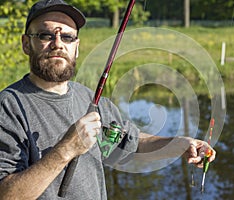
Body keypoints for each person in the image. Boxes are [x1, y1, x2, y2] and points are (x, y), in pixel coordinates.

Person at [0, 0, 216, 199]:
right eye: (46, 35)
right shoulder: (8, 107)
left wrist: (180, 144)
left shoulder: (88, 98)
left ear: (77, 46)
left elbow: (131, 141)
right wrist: (65, 150)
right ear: (26, 44)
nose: (58, 44)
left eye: (67, 37)